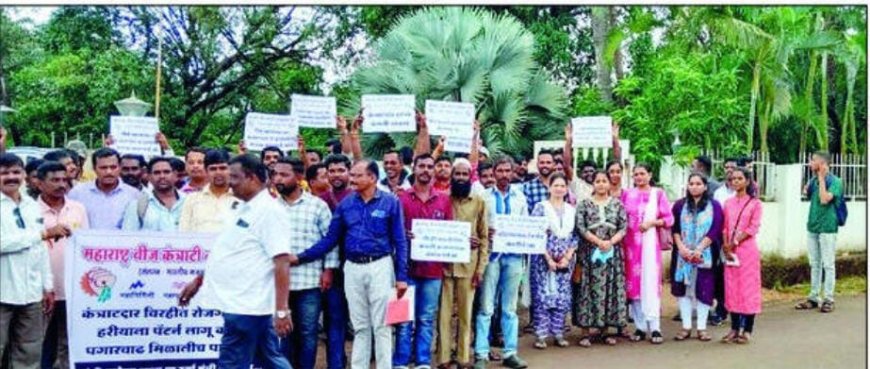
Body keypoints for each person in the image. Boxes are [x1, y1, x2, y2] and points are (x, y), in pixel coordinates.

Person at [289, 159, 409, 369]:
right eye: (351, 175)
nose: (351, 179)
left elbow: (400, 240)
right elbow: (330, 239)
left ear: (372, 178)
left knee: (382, 326)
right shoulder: (346, 205)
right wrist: (300, 257)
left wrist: (401, 277)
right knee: (360, 326)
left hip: (380, 265)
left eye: (357, 175)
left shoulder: (390, 202)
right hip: (352, 268)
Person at [178, 154, 292, 369]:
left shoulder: (269, 212)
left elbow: (281, 262)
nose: (230, 182)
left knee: (232, 362)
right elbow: (230, 252)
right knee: (269, 358)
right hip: (243, 303)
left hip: (246, 303)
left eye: (235, 177)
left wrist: (282, 310)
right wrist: (199, 281)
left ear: (253, 178)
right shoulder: (241, 207)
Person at [0, 153, 65, 369]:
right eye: (4, 173)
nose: (11, 177)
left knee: (29, 350)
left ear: (25, 176)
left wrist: (47, 286)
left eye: (16, 172)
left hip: (31, 294)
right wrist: (41, 235)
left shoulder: (30, 204)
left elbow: (41, 249)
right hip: (3, 291)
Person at [271, 157, 336, 369]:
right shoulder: (269, 207)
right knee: (282, 333)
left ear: (299, 177)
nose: (277, 179)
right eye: (275, 174)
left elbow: (330, 241)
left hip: (309, 280)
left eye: (284, 175)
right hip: (279, 283)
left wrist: (328, 270)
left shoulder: (317, 206)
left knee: (308, 333)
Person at [394, 154, 453, 369]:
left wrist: (459, 241)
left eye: (430, 166)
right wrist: (402, 234)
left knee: (426, 318)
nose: (426, 170)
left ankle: (422, 361)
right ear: (414, 168)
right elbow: (392, 231)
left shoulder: (444, 200)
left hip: (433, 270)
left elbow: (449, 233)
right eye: (422, 166)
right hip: (405, 269)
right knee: (403, 319)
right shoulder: (400, 199)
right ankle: (400, 361)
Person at [474, 156, 529, 369]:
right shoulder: (483, 197)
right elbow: (477, 226)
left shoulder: (520, 198)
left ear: (513, 172)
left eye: (508, 171)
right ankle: (481, 353)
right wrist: (485, 232)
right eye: (500, 171)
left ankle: (510, 352)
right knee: (486, 306)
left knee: (509, 308)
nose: (504, 175)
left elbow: (525, 227)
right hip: (491, 256)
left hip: (513, 257)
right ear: (494, 173)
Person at [37, 161, 89, 369]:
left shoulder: (78, 208)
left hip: (73, 289)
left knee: (70, 343)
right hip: (42, 289)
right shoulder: (29, 210)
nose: (61, 184)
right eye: (54, 180)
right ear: (40, 184)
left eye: (64, 180)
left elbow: (86, 245)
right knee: (42, 344)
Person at [437, 158, 488, 369]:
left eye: (464, 174)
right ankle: (443, 358)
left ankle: (463, 357)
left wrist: (481, 269)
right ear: (451, 177)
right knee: (444, 315)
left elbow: (484, 237)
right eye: (456, 174)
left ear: (470, 177)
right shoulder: (441, 200)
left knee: (466, 315)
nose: (460, 178)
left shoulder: (479, 201)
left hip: (469, 267)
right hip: (444, 267)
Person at [621, 163, 674, 344]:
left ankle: (655, 327)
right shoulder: (627, 194)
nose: (639, 177)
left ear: (650, 175)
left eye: (642, 174)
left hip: (650, 247)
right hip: (630, 248)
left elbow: (669, 218)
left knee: (650, 284)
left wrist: (652, 223)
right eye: (636, 174)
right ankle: (640, 326)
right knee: (634, 287)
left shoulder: (657, 194)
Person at [574, 170, 628, 347]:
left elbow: (623, 227)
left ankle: (605, 331)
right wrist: (598, 241)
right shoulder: (584, 205)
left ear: (609, 184)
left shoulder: (617, 205)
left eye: (604, 181)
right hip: (590, 254)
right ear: (593, 184)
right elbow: (581, 228)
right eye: (598, 181)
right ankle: (585, 332)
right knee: (587, 290)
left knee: (609, 289)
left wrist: (610, 242)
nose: (601, 184)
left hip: (612, 254)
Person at [670, 173, 723, 342]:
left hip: (705, 254)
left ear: (705, 186)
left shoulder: (714, 206)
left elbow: (715, 230)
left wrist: (699, 249)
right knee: (683, 290)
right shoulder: (679, 206)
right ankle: (686, 327)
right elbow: (675, 229)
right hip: (682, 255)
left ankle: (701, 328)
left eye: (698, 183)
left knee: (704, 290)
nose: (694, 186)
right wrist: (682, 248)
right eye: (691, 183)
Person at [528, 173, 577, 349]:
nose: (559, 189)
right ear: (549, 187)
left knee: (561, 296)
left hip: (565, 261)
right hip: (543, 260)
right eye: (555, 185)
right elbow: (535, 234)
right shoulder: (540, 207)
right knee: (543, 297)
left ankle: (558, 333)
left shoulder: (572, 210)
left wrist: (567, 256)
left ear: (566, 189)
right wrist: (548, 258)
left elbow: (575, 236)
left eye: (562, 186)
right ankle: (541, 336)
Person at [795, 151, 843, 313]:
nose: (810, 163)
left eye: (813, 160)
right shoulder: (813, 180)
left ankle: (828, 298)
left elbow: (824, 200)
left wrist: (822, 179)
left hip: (828, 227)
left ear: (822, 164)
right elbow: (806, 194)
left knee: (828, 264)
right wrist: (812, 184)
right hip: (813, 225)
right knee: (814, 263)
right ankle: (814, 297)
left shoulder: (836, 181)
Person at [318, 153, 352, 369]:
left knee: (360, 321)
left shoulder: (358, 197)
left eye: (341, 170)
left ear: (349, 172)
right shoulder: (321, 201)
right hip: (331, 269)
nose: (336, 175)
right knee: (334, 319)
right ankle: (336, 363)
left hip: (358, 266)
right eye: (332, 171)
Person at [721, 167, 763, 344]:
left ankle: (747, 330)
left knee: (748, 288)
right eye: (733, 179)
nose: (736, 182)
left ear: (747, 181)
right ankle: (734, 327)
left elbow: (753, 228)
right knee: (732, 288)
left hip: (746, 251)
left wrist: (735, 242)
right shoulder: (728, 203)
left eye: (739, 179)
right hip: (730, 252)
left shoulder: (755, 203)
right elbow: (725, 226)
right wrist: (725, 244)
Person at [68, 148, 140, 230]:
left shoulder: (133, 195)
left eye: (113, 167)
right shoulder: (78, 193)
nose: (108, 172)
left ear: (119, 168)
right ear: (94, 169)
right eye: (103, 168)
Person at [179, 149, 238, 232]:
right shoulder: (192, 199)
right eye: (213, 169)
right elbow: (183, 231)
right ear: (206, 171)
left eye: (223, 168)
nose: (218, 172)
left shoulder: (242, 199)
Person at [121, 157, 185, 231]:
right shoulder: (137, 205)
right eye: (157, 173)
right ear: (149, 177)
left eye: (166, 172)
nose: (162, 176)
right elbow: (128, 237)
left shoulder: (188, 202)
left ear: (175, 175)